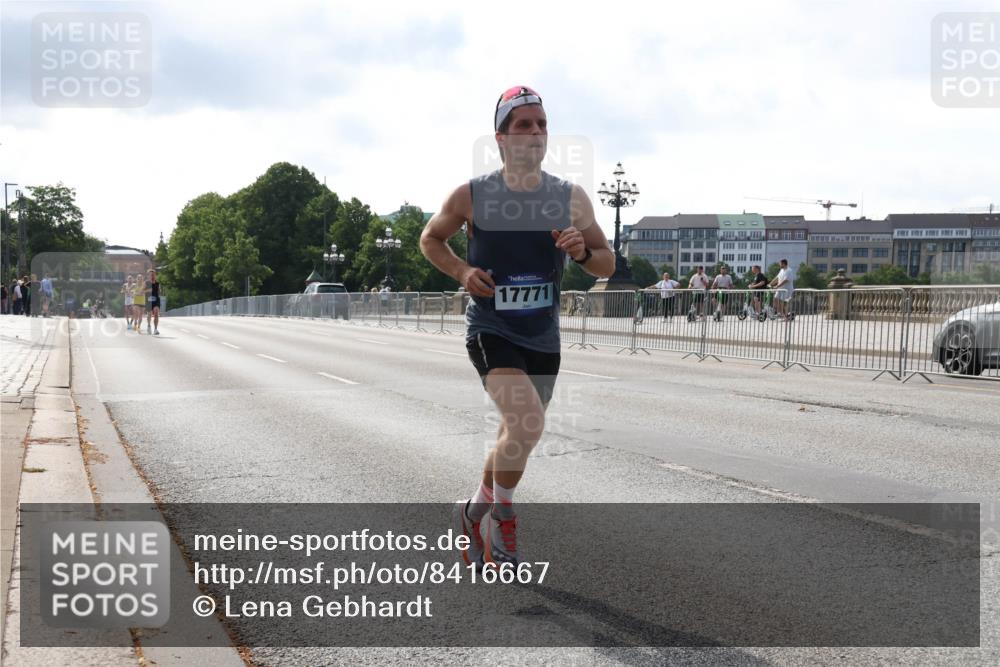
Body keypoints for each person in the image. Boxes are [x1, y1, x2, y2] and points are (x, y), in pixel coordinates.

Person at [420, 85, 614, 567]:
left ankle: (471, 512)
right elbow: (430, 238)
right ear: (501, 138)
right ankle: (502, 518)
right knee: (527, 422)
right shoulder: (472, 195)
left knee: (518, 434)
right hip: (492, 329)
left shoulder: (569, 197)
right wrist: (463, 271)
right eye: (524, 124)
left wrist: (582, 252)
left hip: (543, 336)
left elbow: (607, 263)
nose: (535, 133)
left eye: (542, 124)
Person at [146, 268, 161, 335]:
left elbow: (159, 291)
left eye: (153, 274)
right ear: (148, 275)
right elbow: (141, 291)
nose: (152, 276)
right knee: (149, 314)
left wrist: (159, 291)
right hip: (149, 300)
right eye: (151, 275)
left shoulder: (157, 283)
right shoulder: (146, 283)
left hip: (156, 300)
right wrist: (148, 290)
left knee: (156, 314)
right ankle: (149, 326)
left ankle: (155, 329)